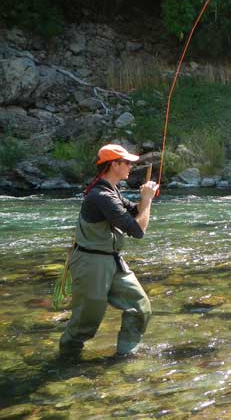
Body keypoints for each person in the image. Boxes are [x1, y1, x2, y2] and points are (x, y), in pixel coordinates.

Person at [59, 143, 159, 358]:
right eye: (127, 162)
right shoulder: (101, 196)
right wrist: (148, 200)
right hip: (91, 264)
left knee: (140, 307)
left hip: (111, 261)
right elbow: (138, 230)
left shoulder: (111, 191)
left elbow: (134, 212)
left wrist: (144, 198)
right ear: (115, 165)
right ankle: (64, 362)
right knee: (85, 324)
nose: (131, 166)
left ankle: (125, 356)